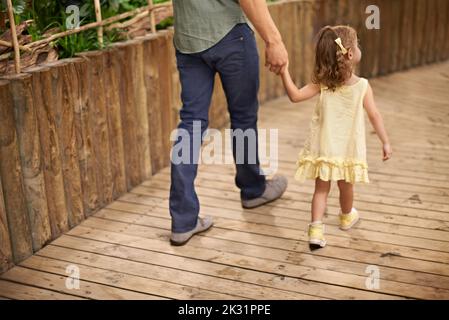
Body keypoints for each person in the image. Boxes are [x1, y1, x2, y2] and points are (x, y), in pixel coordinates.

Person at [170, 0, 289, 246]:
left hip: (189, 40)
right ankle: (253, 189)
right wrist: (274, 40)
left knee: (190, 125)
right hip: (230, 35)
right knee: (243, 117)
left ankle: (183, 221)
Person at [280, 25, 393, 250]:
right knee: (346, 187)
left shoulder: (322, 84)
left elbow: (294, 96)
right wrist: (385, 141)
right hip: (347, 151)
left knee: (321, 190)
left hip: (324, 149)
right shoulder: (362, 86)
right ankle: (346, 216)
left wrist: (284, 71)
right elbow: (374, 115)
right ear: (350, 54)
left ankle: (315, 229)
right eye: (357, 44)